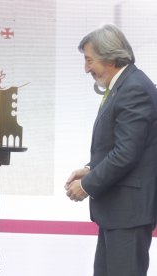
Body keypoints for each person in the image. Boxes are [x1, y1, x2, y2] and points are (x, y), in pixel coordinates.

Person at [65, 24, 157, 276]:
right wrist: (89, 168)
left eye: (89, 60)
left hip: (128, 214)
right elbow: (120, 146)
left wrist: (86, 185)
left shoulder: (134, 88)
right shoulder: (125, 86)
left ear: (111, 57)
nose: (86, 69)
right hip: (119, 213)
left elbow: (126, 153)